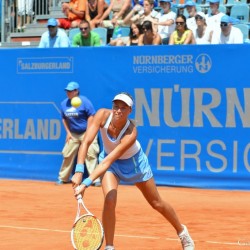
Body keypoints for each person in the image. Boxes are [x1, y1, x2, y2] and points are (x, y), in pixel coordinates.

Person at [71, 92, 195, 250]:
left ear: (130, 111)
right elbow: (86, 142)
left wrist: (86, 184)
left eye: (123, 108)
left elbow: (109, 160)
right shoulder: (102, 115)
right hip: (111, 164)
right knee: (109, 200)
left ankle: (182, 232)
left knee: (156, 203)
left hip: (135, 164)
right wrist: (79, 170)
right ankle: (109, 247)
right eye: (116, 106)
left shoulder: (131, 133)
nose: (118, 111)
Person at [57, 81, 101, 186]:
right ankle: (63, 178)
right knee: (67, 154)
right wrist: (68, 132)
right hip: (73, 133)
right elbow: (64, 118)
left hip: (87, 131)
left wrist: (89, 132)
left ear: (76, 91)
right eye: (67, 91)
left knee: (91, 154)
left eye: (71, 91)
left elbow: (91, 116)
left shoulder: (85, 102)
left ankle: (95, 180)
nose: (68, 93)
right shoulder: (64, 104)